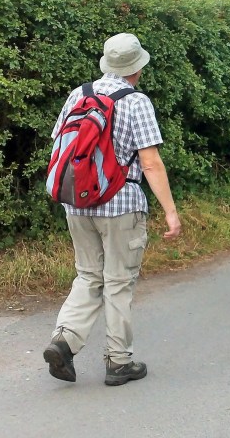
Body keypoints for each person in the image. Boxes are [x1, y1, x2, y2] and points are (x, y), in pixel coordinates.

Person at [43, 33, 182, 386]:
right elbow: (150, 163)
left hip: (77, 201)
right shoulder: (137, 103)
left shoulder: (79, 94)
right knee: (118, 282)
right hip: (122, 205)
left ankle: (64, 340)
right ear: (137, 67)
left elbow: (60, 143)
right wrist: (170, 211)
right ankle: (118, 362)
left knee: (88, 275)